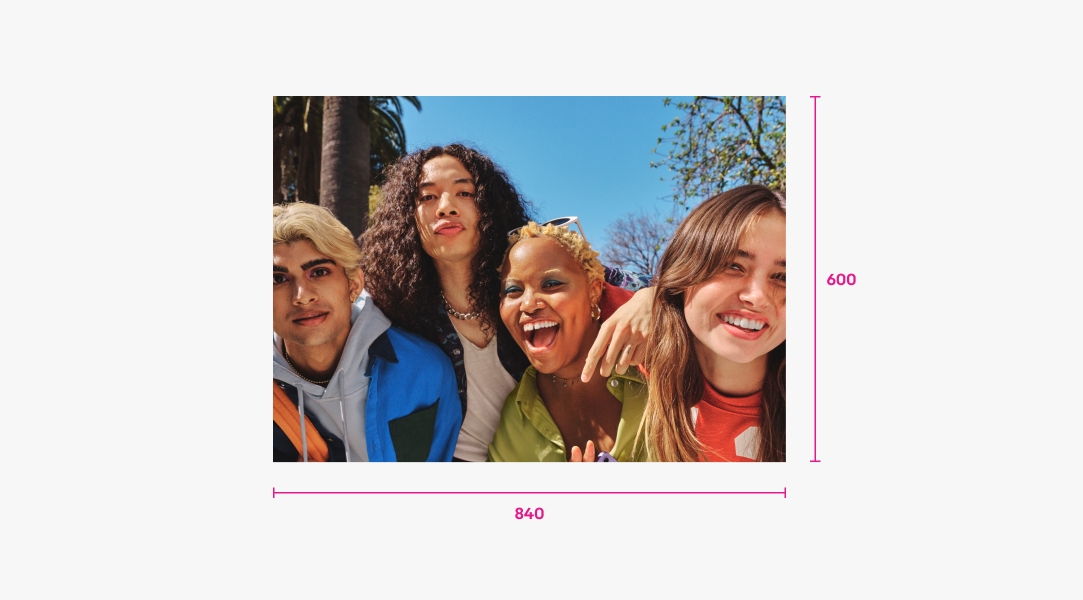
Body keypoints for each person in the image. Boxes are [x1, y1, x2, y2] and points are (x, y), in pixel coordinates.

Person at [361, 144, 652, 462]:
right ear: (408, 216)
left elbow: (634, 286)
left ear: (488, 205)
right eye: (427, 197)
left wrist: (651, 299)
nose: (445, 207)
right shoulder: (397, 310)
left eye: (465, 193)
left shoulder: (530, 269)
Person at [273, 202, 462, 462]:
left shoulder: (425, 369)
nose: (302, 297)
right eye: (277, 279)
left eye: (319, 272)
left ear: (354, 285)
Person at [638, 184, 786, 462]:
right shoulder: (625, 374)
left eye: (783, 278)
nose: (758, 297)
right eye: (733, 266)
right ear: (684, 269)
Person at [488, 222, 648, 462]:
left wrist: (656, 298)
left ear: (593, 291)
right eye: (513, 290)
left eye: (551, 284)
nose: (528, 304)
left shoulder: (656, 367)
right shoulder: (515, 417)